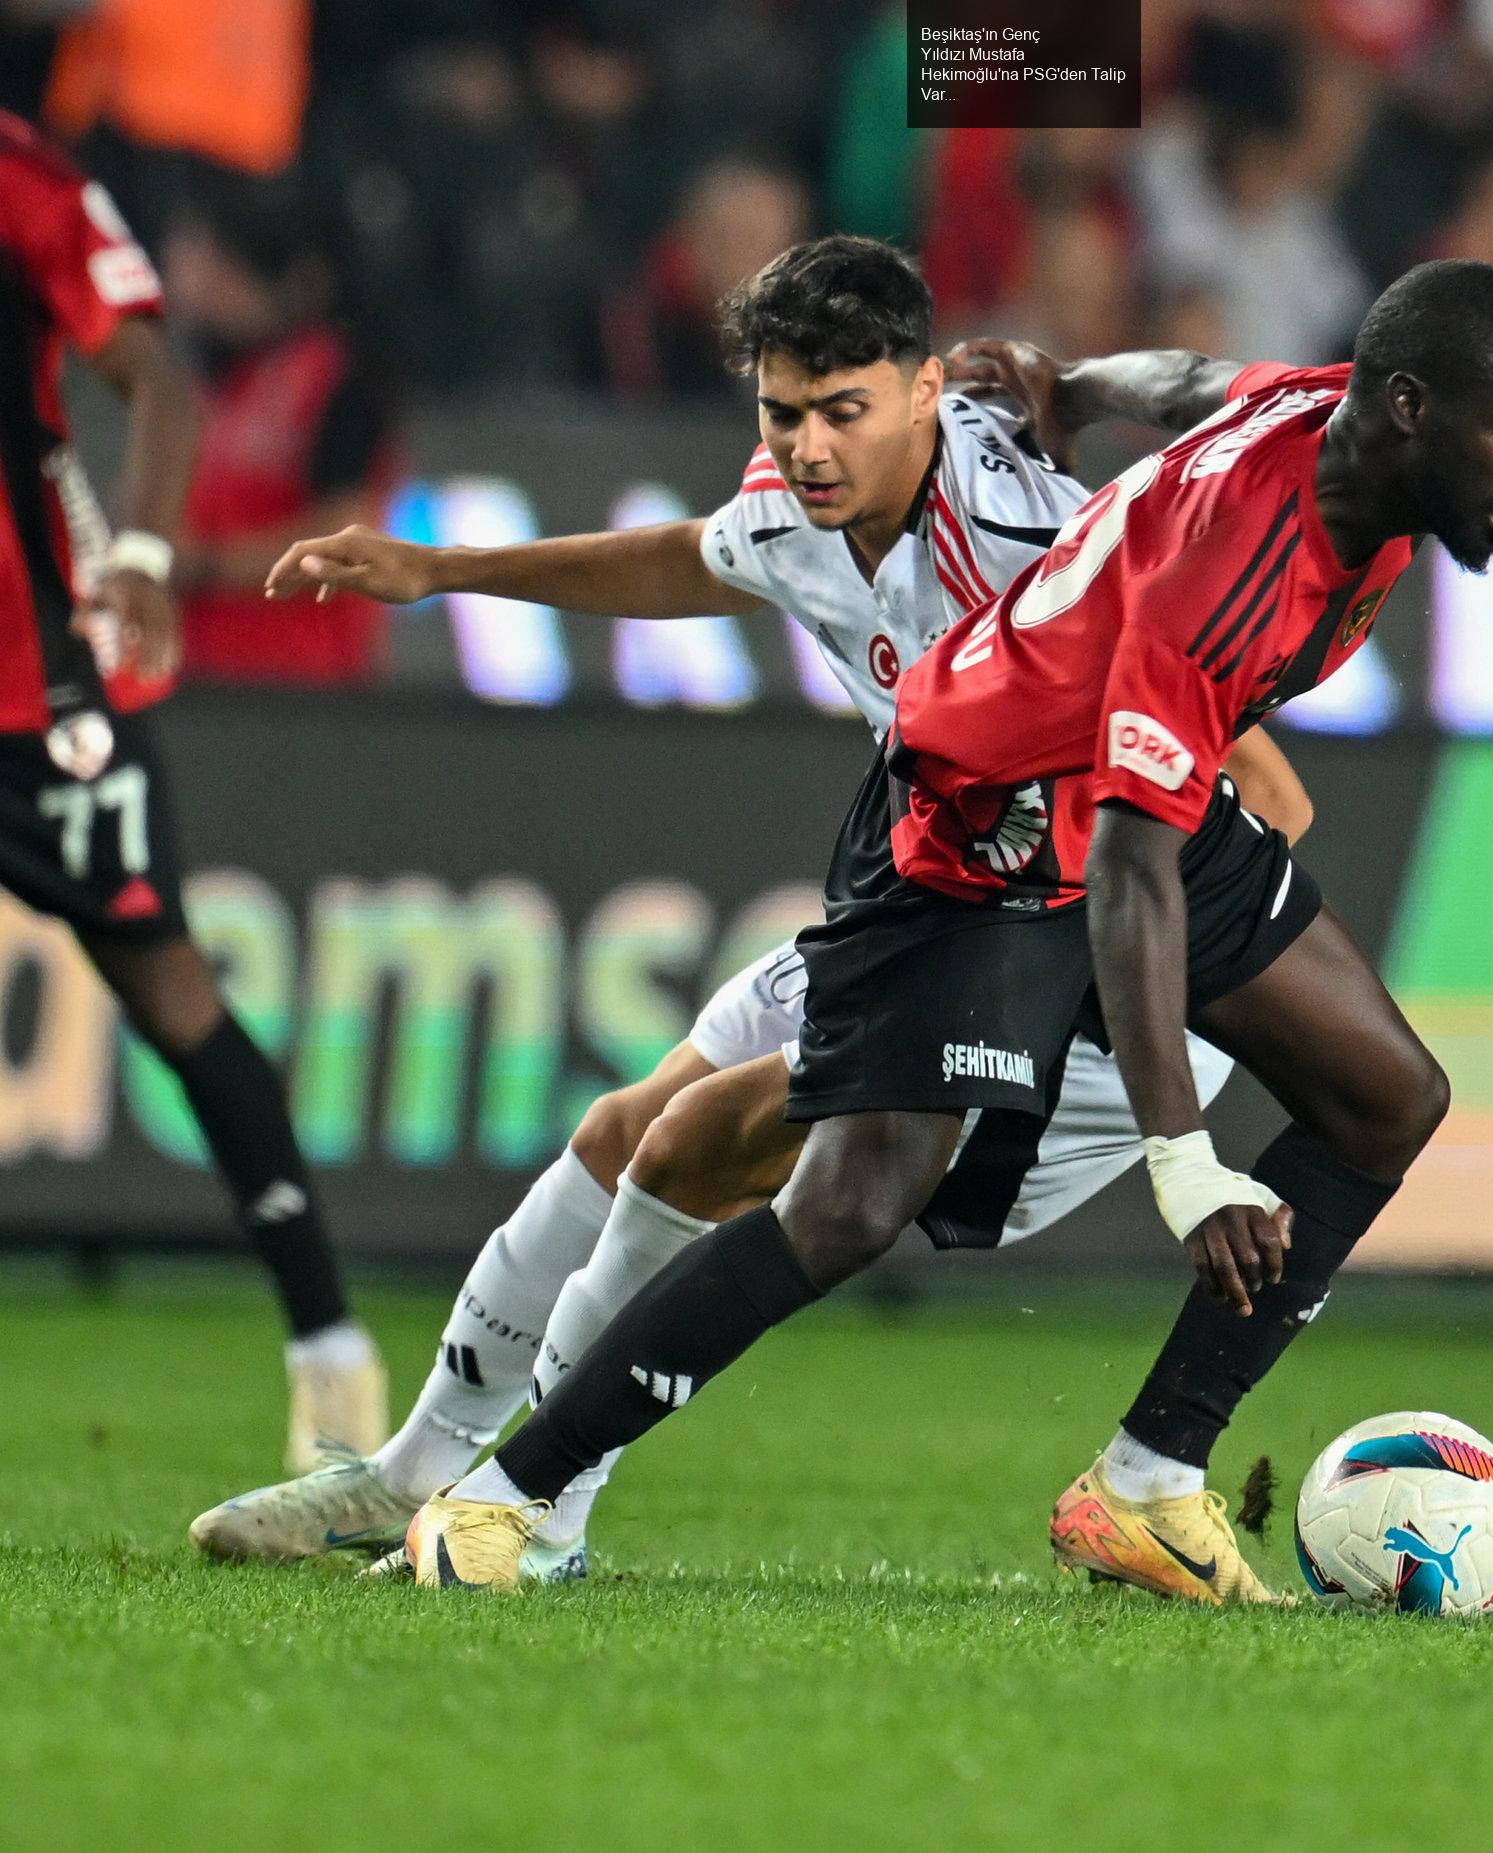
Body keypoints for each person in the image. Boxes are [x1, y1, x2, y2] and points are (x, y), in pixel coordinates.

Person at [389, 257, 1493, 1605]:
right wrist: (1183, 1161)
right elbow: (1124, 876)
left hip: (1140, 804)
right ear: (1410, 409)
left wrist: (1074, 386)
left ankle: (1147, 1480)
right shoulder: (1235, 565)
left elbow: (1189, 382)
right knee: (849, 1203)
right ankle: (501, 1495)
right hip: (978, 823)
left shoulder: (1324, 412)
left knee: (1385, 1097)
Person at [187, 236, 1311, 1579]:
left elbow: (1270, 798)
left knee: (694, 1147)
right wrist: (445, 572)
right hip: (929, 905)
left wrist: (1076, 962)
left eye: (846, 411)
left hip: (1075, 998)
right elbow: (694, 559)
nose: (812, 446)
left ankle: (538, 1510)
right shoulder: (795, 499)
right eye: (785, 412)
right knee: (622, 1131)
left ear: (922, 391)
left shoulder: (1042, 551)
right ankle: (416, 1470)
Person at [0, 111, 382, 1468]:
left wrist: (151, 550)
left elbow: (157, 383)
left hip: (31, 686)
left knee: (167, 988)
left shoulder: (23, 183)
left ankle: (330, 1349)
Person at [162, 178, 400, 685]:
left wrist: (204, 564)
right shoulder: (217, 382)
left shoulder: (336, 378)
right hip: (204, 674)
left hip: (303, 684)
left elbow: (349, 537)